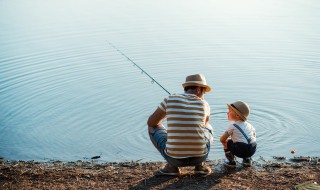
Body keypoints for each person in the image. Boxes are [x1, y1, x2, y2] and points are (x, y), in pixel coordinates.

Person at [147, 74, 214, 175]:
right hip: (200, 156)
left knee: (152, 127)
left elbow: (151, 122)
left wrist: (169, 114)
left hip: (174, 159)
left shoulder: (170, 99)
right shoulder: (205, 104)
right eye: (204, 92)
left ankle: (171, 167)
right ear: (199, 90)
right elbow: (203, 125)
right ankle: (200, 166)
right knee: (208, 127)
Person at [220, 100, 257, 168]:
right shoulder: (250, 125)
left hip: (241, 150)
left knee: (226, 141)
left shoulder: (233, 126)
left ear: (237, 115)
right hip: (252, 149)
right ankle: (247, 160)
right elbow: (254, 137)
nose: (227, 113)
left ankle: (230, 161)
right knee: (246, 141)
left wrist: (225, 140)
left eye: (230, 111)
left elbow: (222, 139)